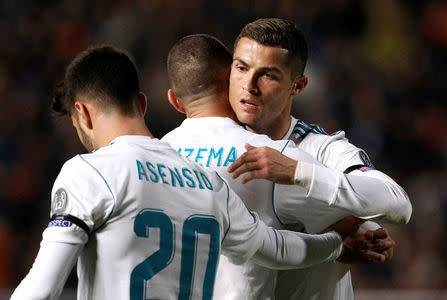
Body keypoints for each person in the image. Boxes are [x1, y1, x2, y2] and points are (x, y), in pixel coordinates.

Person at [10, 45, 377, 300]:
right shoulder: (208, 181)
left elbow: (42, 289)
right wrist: (336, 244)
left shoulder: (89, 172)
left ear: (83, 114)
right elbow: (276, 248)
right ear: (141, 103)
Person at [162, 34, 411, 299]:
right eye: (242, 68)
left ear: (298, 85)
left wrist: (297, 172)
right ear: (226, 78)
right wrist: (345, 238)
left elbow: (396, 204)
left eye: (268, 74)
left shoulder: (322, 149)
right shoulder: (232, 148)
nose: (249, 85)